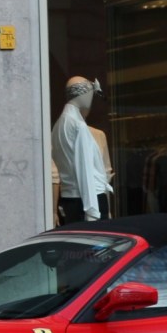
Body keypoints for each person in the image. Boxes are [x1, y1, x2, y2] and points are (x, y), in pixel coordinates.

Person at [51, 76, 111, 223]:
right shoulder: (78, 125)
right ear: (85, 95)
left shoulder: (59, 125)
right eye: (91, 95)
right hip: (89, 199)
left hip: (71, 198)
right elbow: (85, 170)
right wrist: (92, 211)